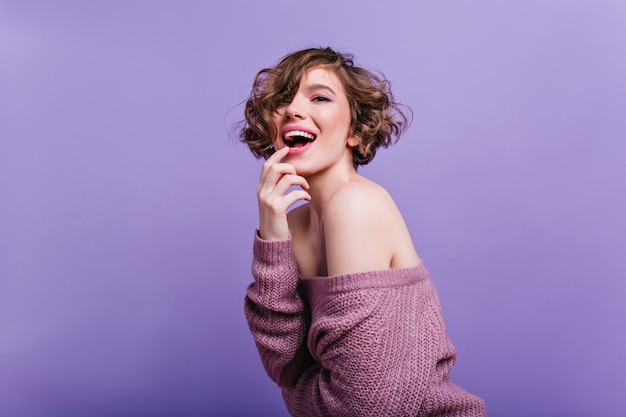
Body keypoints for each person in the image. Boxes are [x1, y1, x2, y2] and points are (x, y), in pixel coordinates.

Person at [239, 47, 486, 417]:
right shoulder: (292, 225)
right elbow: (284, 367)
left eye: (319, 97)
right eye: (281, 100)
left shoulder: (355, 205)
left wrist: (301, 394)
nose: (292, 109)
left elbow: (362, 406)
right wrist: (272, 240)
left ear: (354, 131)